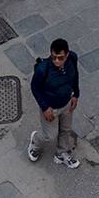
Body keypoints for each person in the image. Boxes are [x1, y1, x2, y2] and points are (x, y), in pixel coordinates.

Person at [29, 37, 81, 168]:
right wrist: (45, 107)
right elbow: (35, 88)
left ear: (67, 54)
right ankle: (35, 142)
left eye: (60, 58)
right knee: (49, 136)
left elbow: (75, 75)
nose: (57, 61)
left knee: (66, 129)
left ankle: (61, 153)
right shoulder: (43, 69)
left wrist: (76, 94)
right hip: (51, 107)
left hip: (67, 103)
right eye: (54, 57)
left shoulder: (72, 58)